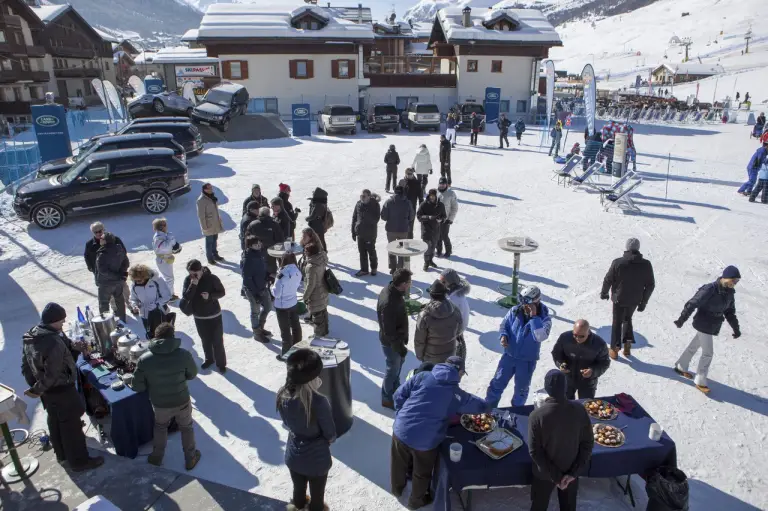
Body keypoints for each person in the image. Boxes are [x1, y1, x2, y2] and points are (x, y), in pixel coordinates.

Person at [391, 356, 488, 509]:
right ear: (459, 371)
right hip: (425, 442)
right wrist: (487, 405)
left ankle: (396, 489)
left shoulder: (422, 376)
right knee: (422, 473)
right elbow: (478, 406)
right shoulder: (455, 394)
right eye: (462, 374)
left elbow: (398, 395)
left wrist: (401, 415)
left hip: (400, 430)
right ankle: (415, 502)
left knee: (398, 463)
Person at [21, 303, 104, 472]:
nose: (63, 323)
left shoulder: (33, 335)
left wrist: (36, 387)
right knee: (72, 428)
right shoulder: (52, 342)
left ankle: (62, 455)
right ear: (53, 321)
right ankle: (80, 461)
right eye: (61, 321)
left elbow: (26, 365)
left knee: (55, 422)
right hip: (61, 390)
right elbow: (53, 372)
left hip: (47, 393)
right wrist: (37, 390)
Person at [131, 323, 200, 470]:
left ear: (156, 338)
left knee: (160, 427)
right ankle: (190, 458)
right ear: (172, 336)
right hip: (181, 400)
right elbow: (192, 374)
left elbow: (137, 386)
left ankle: (156, 457)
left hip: (160, 404)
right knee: (186, 427)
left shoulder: (144, 359)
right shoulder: (183, 354)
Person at [277, 349, 336, 511]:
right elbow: (330, 434)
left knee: (298, 493)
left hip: (293, 455)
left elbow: (287, 423)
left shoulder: (282, 395)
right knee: (317, 499)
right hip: (317, 460)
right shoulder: (319, 402)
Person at [528, 369, 594, 511]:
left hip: (545, 474)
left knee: (539, 505)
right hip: (570, 471)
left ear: (546, 389)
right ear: (565, 387)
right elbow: (587, 444)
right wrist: (572, 474)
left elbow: (535, 452)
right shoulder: (580, 410)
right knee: (568, 507)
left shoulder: (536, 416)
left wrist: (556, 477)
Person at [673, 266, 741, 393]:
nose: (735, 284)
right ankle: (700, 380)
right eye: (734, 280)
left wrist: (736, 328)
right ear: (726, 278)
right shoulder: (710, 289)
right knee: (708, 353)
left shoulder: (729, 293)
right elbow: (692, 303)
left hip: (713, 324)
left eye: (737, 281)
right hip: (703, 322)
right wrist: (682, 319)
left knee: (694, 346)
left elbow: (730, 312)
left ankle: (681, 366)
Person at [485, 285, 552, 407]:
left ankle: (517, 412)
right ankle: (489, 408)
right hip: (509, 356)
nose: (523, 306)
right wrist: (503, 335)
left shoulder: (545, 319)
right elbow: (504, 325)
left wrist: (534, 317)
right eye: (522, 302)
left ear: (536, 303)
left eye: (526, 304)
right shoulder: (515, 310)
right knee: (497, 383)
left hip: (526, 362)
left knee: (521, 391)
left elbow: (540, 336)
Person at [600, 238, 655, 359]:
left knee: (617, 322)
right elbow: (650, 285)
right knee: (627, 318)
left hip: (619, 298)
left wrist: (604, 293)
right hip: (635, 299)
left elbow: (608, 279)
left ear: (627, 248)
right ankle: (627, 343)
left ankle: (614, 348)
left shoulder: (618, 263)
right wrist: (643, 302)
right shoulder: (646, 264)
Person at [180, 259, 227, 372]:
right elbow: (185, 297)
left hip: (214, 315)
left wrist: (210, 296)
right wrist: (193, 285)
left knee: (217, 341)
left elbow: (222, 292)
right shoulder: (188, 280)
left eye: (195, 274)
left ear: (201, 270)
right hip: (199, 316)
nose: (192, 276)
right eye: (190, 274)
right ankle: (209, 359)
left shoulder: (212, 278)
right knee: (205, 340)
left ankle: (221, 364)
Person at [377, 268, 412, 409]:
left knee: (396, 368)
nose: (410, 284)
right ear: (403, 284)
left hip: (397, 340)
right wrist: (399, 347)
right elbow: (389, 331)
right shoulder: (389, 302)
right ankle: (387, 398)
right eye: (409, 282)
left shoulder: (393, 292)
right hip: (392, 343)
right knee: (392, 369)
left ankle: (395, 390)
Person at [551, 320, 610, 399]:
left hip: (587, 382)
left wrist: (592, 371)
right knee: (566, 406)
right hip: (568, 379)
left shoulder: (599, 344)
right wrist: (560, 364)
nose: (577, 338)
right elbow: (556, 353)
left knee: (585, 407)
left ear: (588, 332)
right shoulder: (564, 338)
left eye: (581, 336)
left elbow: (604, 363)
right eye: (575, 335)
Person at [414, 279, 463, 364]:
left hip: (430, 358)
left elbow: (419, 340)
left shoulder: (424, 315)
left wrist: (420, 356)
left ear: (431, 295)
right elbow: (459, 330)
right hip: (450, 355)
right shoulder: (455, 310)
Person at [84, 222, 130, 311]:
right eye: (95, 232)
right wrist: (92, 268)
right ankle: (116, 309)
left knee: (124, 289)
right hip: (102, 275)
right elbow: (87, 257)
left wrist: (123, 271)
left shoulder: (115, 240)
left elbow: (124, 255)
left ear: (104, 229)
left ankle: (129, 304)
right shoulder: (90, 244)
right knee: (109, 295)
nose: (98, 234)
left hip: (117, 272)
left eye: (100, 231)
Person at [241, 235, 273, 342]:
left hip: (262, 286)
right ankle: (257, 333)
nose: (259, 246)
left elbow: (261, 269)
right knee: (255, 311)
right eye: (256, 244)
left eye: (259, 243)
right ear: (249, 246)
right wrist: (256, 293)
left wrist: (267, 275)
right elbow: (247, 279)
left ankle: (260, 327)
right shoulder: (248, 259)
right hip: (252, 290)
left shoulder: (259, 253)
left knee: (268, 307)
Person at [129, 264, 172, 340]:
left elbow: (167, 296)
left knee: (163, 335)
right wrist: (134, 305)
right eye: (135, 280)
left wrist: (157, 304)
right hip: (145, 315)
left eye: (139, 280)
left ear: (145, 276)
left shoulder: (157, 281)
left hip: (160, 313)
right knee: (151, 336)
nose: (137, 282)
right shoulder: (134, 285)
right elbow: (133, 299)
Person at [273, 253, 303, 359]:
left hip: (282, 306)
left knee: (285, 331)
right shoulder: (298, 272)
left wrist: (272, 288)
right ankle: (298, 348)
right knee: (296, 326)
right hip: (293, 302)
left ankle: (286, 355)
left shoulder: (282, 274)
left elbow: (277, 293)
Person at [96, 232, 130, 323]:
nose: (100, 239)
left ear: (105, 241)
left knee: (104, 303)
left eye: (102, 238)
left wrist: (117, 275)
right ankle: (122, 320)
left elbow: (102, 270)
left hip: (105, 283)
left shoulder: (102, 253)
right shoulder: (120, 249)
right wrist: (121, 274)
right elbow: (126, 263)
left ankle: (105, 323)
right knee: (119, 300)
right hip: (118, 282)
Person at [380, 185, 414, 273]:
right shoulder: (408, 202)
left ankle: (393, 267)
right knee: (402, 249)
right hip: (403, 230)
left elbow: (383, 216)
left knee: (392, 248)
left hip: (391, 229)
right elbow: (411, 217)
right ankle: (400, 267)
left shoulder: (389, 202)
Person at [439, 269, 470, 360]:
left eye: (443, 282)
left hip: (453, 335)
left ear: (450, 282)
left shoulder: (455, 300)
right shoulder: (452, 293)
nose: (441, 284)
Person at [351, 189, 381, 277]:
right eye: (361, 196)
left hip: (370, 233)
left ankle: (374, 268)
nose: (362, 198)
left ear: (369, 196)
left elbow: (376, 219)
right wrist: (353, 231)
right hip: (360, 232)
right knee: (362, 252)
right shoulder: (358, 204)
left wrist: (366, 213)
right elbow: (354, 217)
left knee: (371, 251)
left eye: (364, 196)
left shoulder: (375, 205)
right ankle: (364, 270)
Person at [248, 206, 285, 277]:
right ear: (268, 214)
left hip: (256, 252)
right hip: (271, 253)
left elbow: (248, 238)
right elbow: (280, 239)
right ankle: (270, 284)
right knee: (271, 272)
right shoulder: (274, 224)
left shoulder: (253, 224)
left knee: (259, 271)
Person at [303, 241, 330, 337]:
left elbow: (310, 285)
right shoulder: (322, 258)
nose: (304, 252)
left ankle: (319, 335)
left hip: (315, 294)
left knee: (317, 315)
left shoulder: (311, 267)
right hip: (324, 289)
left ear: (309, 253)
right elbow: (323, 251)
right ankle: (325, 330)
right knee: (323, 311)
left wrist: (305, 297)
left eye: (306, 251)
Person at [416, 189, 446, 271]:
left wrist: (441, 220)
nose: (432, 197)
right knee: (427, 247)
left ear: (436, 196)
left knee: (433, 247)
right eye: (431, 196)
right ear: (429, 195)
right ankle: (426, 262)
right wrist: (428, 217)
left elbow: (444, 216)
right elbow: (419, 216)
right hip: (426, 230)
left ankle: (430, 260)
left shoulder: (441, 205)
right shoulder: (424, 204)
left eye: (433, 196)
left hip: (436, 230)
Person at [152, 218, 181, 300]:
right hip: (163, 260)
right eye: (165, 225)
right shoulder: (158, 237)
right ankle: (169, 296)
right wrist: (171, 239)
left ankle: (168, 294)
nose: (167, 226)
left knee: (168, 278)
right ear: (162, 227)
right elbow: (164, 247)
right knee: (169, 278)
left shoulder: (163, 235)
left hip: (166, 259)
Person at [196, 183, 224, 265]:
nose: (211, 189)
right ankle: (210, 258)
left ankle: (215, 255)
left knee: (215, 240)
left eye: (211, 187)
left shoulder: (212, 197)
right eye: (209, 188)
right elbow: (201, 215)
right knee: (209, 242)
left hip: (215, 223)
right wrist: (204, 226)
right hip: (208, 225)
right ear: (205, 190)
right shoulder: (201, 200)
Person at [436, 178, 457, 259]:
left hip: (446, 219)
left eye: (443, 184)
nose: (441, 186)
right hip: (437, 218)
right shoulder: (436, 192)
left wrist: (450, 219)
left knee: (444, 235)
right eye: (440, 184)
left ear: (446, 185)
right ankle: (438, 250)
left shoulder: (451, 193)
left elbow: (454, 208)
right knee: (437, 236)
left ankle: (448, 251)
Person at [306, 187, 329, 251]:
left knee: (319, 240)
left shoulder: (318, 205)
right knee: (321, 239)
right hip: (319, 225)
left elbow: (312, 216)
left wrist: (306, 219)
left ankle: (323, 253)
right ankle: (323, 252)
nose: (313, 195)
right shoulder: (321, 202)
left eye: (314, 194)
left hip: (317, 226)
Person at [401, 168, 422, 237]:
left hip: (412, 208)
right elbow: (397, 194)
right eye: (408, 174)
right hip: (402, 208)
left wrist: (421, 209)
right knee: (402, 228)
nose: (409, 175)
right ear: (405, 174)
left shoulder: (417, 183)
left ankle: (410, 242)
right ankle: (402, 244)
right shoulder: (402, 182)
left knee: (410, 228)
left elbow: (421, 197)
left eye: (411, 174)